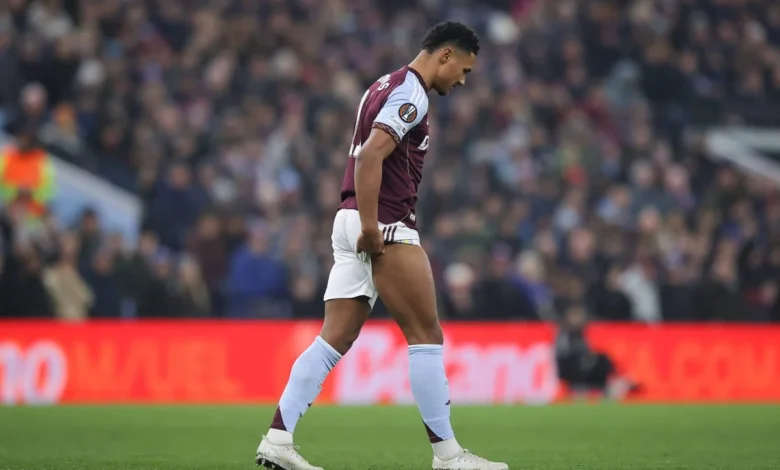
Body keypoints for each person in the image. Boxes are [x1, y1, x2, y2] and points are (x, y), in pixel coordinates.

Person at [255, 22, 508, 470]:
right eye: (464, 70)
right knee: (426, 335)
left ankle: (277, 438)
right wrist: (373, 227)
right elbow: (371, 154)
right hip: (384, 223)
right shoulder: (412, 93)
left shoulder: (380, 84)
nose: (463, 81)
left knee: (334, 338)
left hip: (348, 217)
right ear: (445, 55)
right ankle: (449, 456)